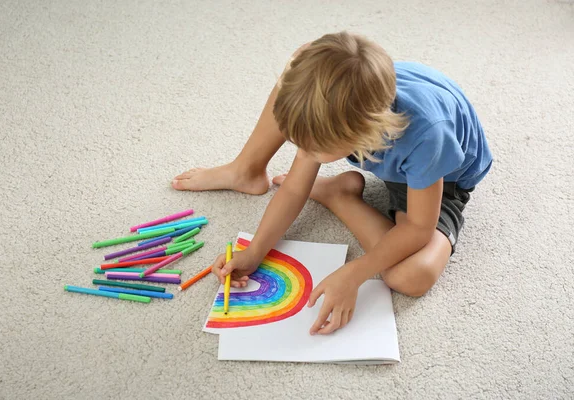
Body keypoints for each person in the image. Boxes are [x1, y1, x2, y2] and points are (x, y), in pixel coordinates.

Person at [172, 32, 492, 335]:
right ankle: (247, 169)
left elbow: (419, 228)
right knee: (302, 73)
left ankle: (341, 196)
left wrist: (355, 273)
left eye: (310, 149)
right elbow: (296, 188)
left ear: (363, 134)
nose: (302, 153)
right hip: (388, 143)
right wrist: (256, 251)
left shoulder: (427, 137)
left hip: (444, 179)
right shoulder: (338, 112)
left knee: (411, 277)